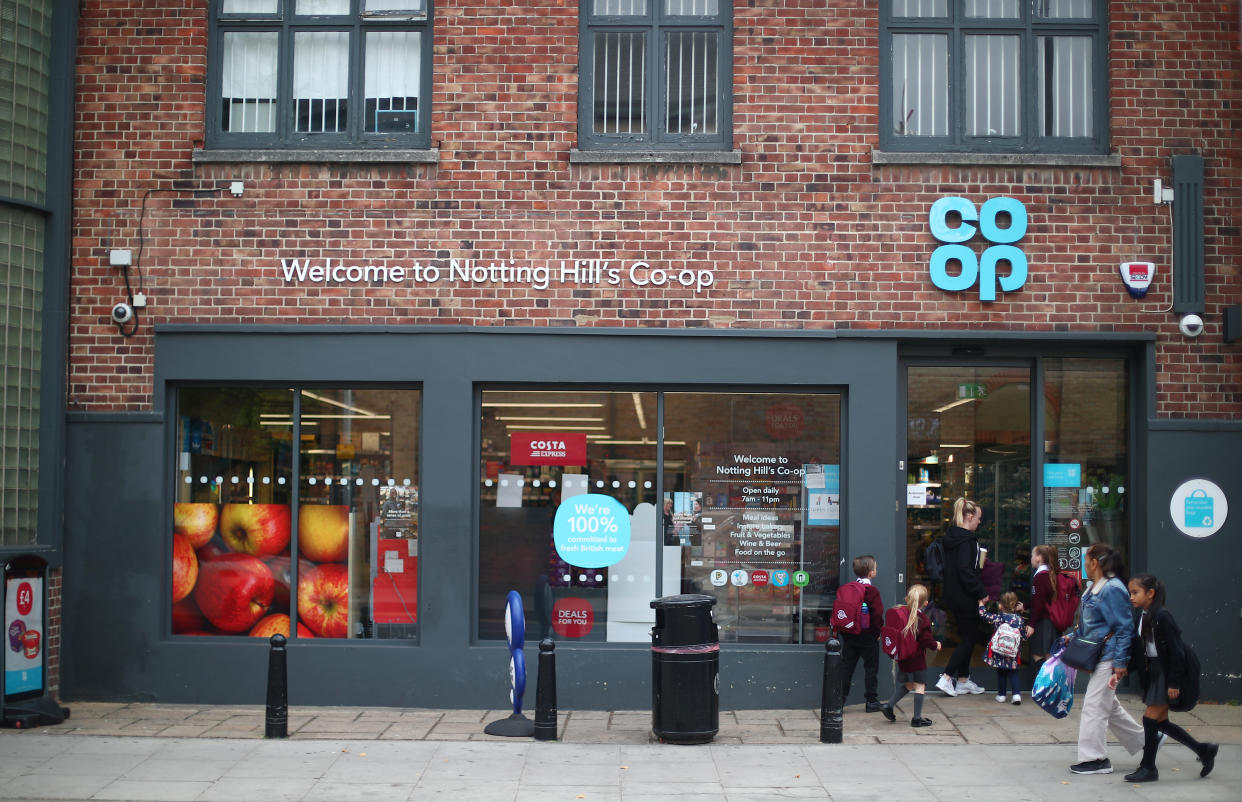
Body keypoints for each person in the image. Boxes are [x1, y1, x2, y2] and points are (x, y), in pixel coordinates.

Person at [1121, 573, 1218, 782]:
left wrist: (1173, 682)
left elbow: (1177, 652)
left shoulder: (1162, 616)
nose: (1131, 597)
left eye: (1135, 592)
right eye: (1130, 593)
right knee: (1161, 722)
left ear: (1151, 593)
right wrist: (1126, 669)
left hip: (1166, 672)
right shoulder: (1143, 616)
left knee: (1149, 718)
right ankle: (1203, 750)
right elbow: (1142, 651)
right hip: (1155, 672)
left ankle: (1148, 768)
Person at [1067, 542, 1144, 775]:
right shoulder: (1094, 588)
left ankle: (1096, 759)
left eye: (1086, 559)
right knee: (1107, 706)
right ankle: (1148, 741)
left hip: (1108, 658)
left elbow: (1124, 628)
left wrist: (1120, 663)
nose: (1084, 564)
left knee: (1094, 706)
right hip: (1100, 655)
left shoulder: (1112, 589)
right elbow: (1092, 625)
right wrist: (1071, 638)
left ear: (1095, 562)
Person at [935, 498, 989, 697]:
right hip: (965, 596)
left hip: (952, 595)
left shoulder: (952, 537)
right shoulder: (968, 541)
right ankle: (947, 677)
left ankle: (964, 680)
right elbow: (966, 571)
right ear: (969, 517)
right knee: (969, 638)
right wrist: (981, 592)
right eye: (979, 518)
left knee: (966, 636)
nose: (980, 522)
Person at [879, 584, 941, 727]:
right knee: (920, 686)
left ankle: (889, 706)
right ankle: (917, 719)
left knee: (908, 684)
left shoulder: (900, 612)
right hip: (916, 658)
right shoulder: (922, 619)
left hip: (903, 656)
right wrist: (935, 645)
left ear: (907, 599)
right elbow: (926, 640)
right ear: (925, 603)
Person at [838, 555, 885, 712]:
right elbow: (877, 613)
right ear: (871, 573)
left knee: (846, 667)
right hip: (867, 636)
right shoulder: (872, 591)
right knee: (871, 668)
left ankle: (839, 700)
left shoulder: (848, 588)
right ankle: (871, 701)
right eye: (875, 568)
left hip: (849, 633)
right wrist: (876, 632)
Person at [1025, 544, 1076, 663]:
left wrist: (1031, 624)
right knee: (1050, 656)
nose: (1031, 558)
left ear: (1039, 558)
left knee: (1040, 656)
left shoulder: (1040, 577)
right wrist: (1026, 606)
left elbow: (1039, 602)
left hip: (1044, 623)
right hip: (1053, 623)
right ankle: (1049, 680)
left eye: (1032, 555)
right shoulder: (1051, 575)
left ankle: (1045, 681)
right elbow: (1040, 598)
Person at [979, 592, 1027, 705]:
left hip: (999, 651)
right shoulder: (1019, 620)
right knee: (1013, 673)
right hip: (1013, 653)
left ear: (1000, 605)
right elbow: (1024, 636)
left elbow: (984, 616)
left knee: (1001, 673)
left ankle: (1001, 695)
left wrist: (981, 604)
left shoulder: (999, 618)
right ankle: (1016, 695)